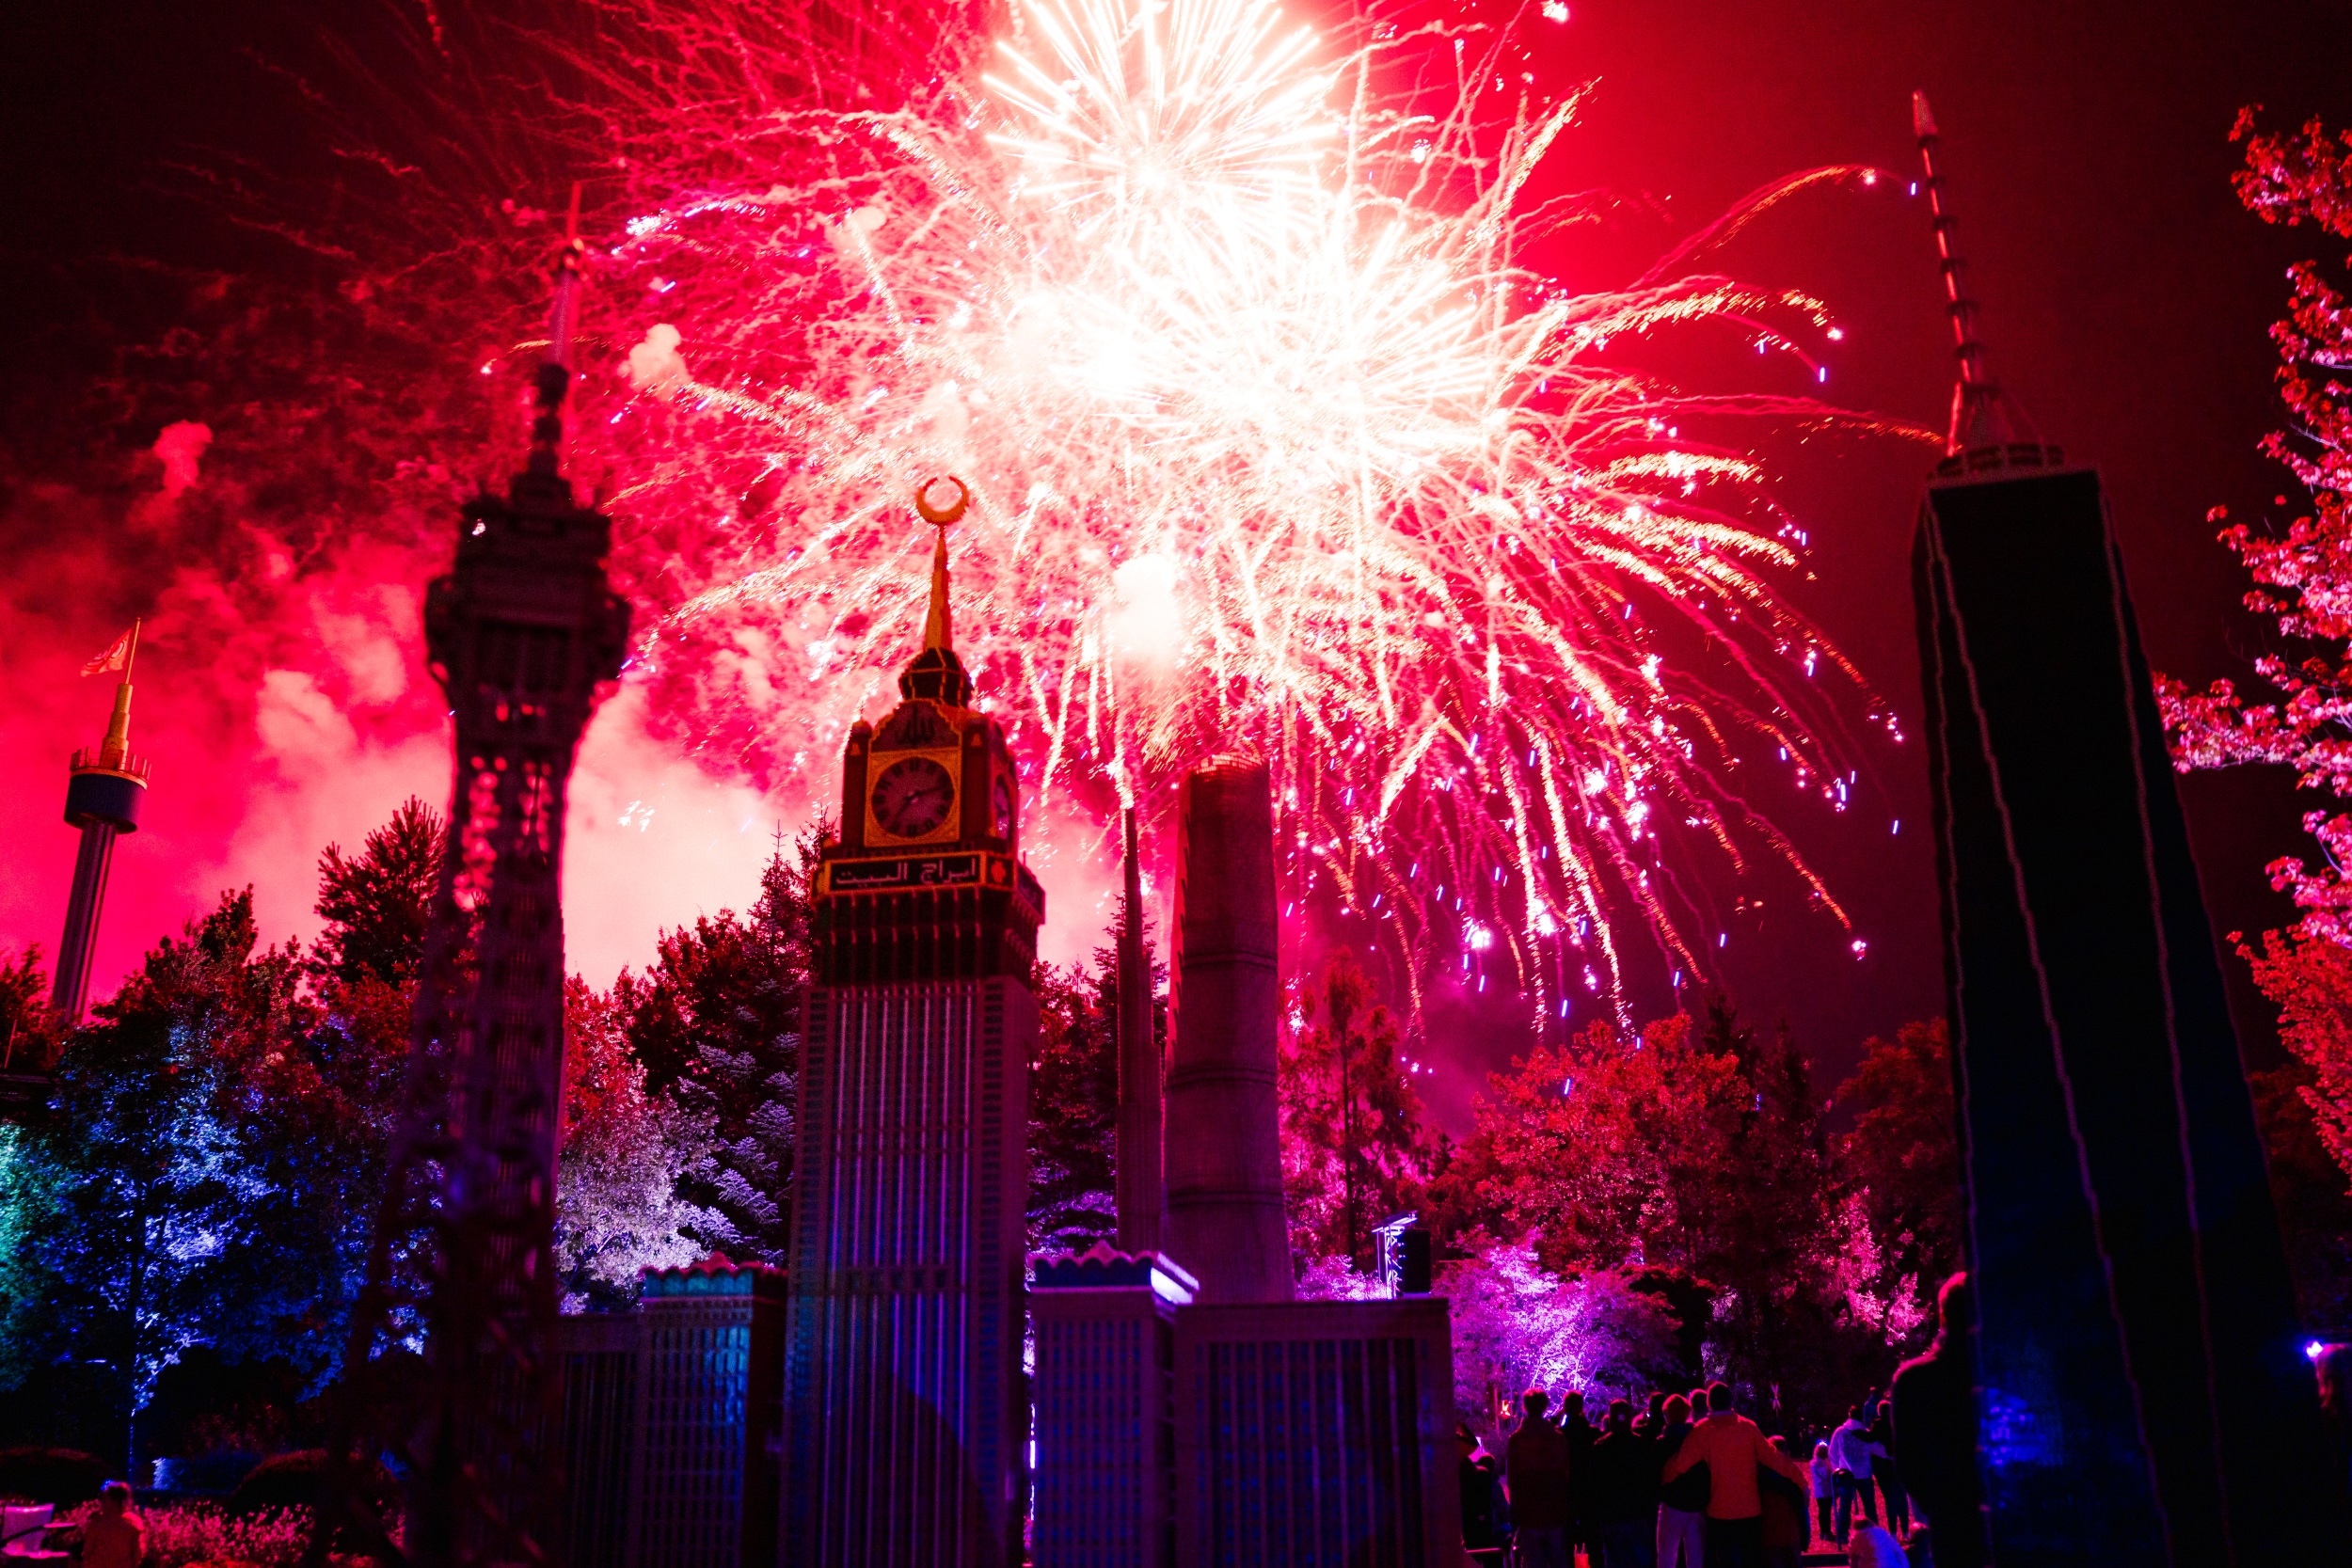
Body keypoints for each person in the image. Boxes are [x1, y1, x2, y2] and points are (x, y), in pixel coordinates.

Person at [1890, 1272, 1988, 1568]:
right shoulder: (2003, 1369)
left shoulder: (1913, 1379)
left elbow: (1907, 1461)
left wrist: (1936, 1502)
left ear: (1943, 1316)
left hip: (1952, 1517)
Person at [1661, 1383, 1811, 1568]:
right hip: (1750, 1510)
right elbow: (1775, 1458)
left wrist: (1663, 1481)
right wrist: (1801, 1482)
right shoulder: (1748, 1428)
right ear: (1730, 1402)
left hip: (1720, 1512)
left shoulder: (1703, 1431)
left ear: (1709, 1404)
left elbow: (1680, 1464)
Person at [1584, 1398, 1657, 1568]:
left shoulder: (1601, 1447)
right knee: (1640, 1560)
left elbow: (1594, 1483)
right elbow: (1650, 1479)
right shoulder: (1641, 1444)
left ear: (1610, 1418)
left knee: (1616, 1560)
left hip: (1612, 1514)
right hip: (1638, 1513)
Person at [1508, 1388, 1575, 1568]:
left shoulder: (1517, 1440)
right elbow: (1565, 1474)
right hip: (1555, 1511)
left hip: (1529, 1514)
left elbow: (1513, 1481)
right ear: (1545, 1407)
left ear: (1525, 1407)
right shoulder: (1557, 1439)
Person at [1654, 1393, 1704, 1568]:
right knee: (1695, 1555)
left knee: (1667, 1554)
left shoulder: (1662, 1443)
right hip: (1696, 1504)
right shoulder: (1697, 1439)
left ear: (1666, 1415)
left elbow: (1657, 1473)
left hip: (1672, 1504)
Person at [1829, 1404, 1884, 1541]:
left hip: (1846, 1473)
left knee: (1845, 1505)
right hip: (1864, 1473)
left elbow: (1832, 1452)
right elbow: (1879, 1450)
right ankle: (1873, 1533)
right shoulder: (1865, 1433)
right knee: (1869, 1505)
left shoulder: (1840, 1431)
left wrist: (1837, 1468)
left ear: (1849, 1415)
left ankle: (1843, 1533)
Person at [1758, 1436, 1808, 1568]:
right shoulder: (1793, 1472)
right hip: (1792, 1532)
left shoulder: (1761, 1472)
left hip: (1769, 1533)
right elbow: (1803, 1502)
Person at [1462, 1425, 1510, 1560]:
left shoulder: (1468, 1483)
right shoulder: (1493, 1485)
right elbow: (1503, 1509)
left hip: (1473, 1532)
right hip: (1493, 1531)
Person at [1867, 1398, 1910, 1538]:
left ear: (1879, 1411)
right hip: (1899, 1463)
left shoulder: (1878, 1424)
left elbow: (1871, 1438)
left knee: (1890, 1499)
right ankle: (1906, 1531)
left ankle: (1893, 1532)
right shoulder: (1898, 1422)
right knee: (1902, 1498)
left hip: (1885, 1465)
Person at [81, 1482, 145, 1568]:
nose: (101, 1502)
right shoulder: (98, 1522)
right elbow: (137, 1556)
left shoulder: (131, 1524)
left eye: (105, 1498)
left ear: (115, 1501)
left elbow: (87, 1552)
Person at [1807, 1441, 1835, 1544]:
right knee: (1824, 1512)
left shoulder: (1815, 1462)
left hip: (1822, 1490)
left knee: (1824, 1512)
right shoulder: (1818, 1463)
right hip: (1823, 1490)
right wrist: (1829, 1464)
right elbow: (1825, 1474)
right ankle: (1825, 1532)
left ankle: (1824, 1532)